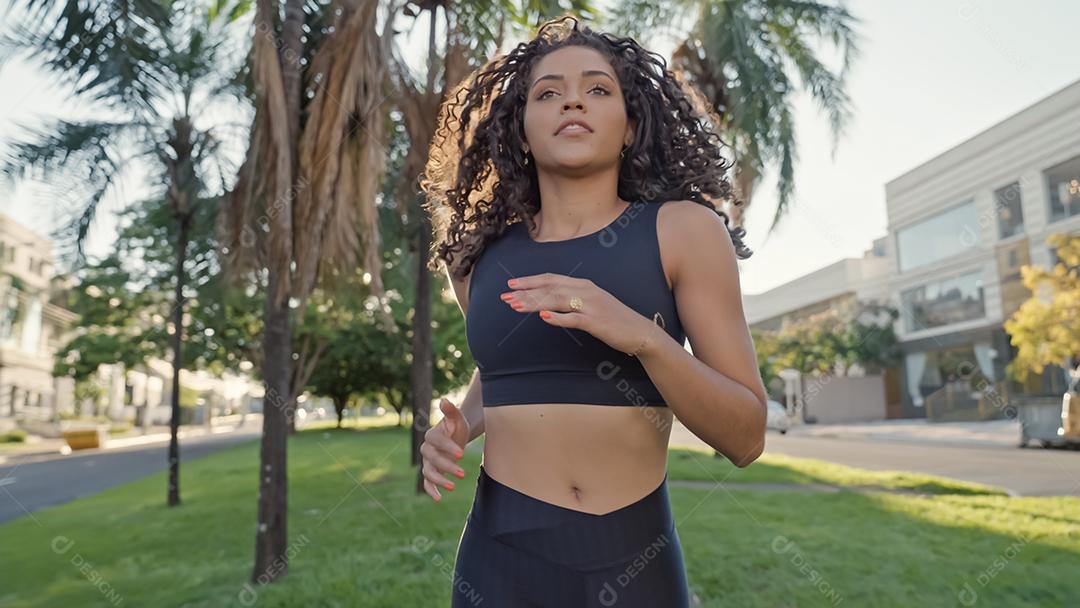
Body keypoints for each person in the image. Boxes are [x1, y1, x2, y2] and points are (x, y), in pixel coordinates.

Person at [418, 14, 768, 608]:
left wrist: (644, 338)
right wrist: (460, 427)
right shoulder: (477, 253)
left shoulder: (684, 231)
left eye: (598, 89)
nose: (572, 100)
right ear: (521, 131)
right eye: (548, 92)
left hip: (637, 553)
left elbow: (746, 436)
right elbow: (502, 366)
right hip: (502, 555)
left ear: (631, 126)